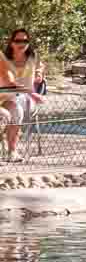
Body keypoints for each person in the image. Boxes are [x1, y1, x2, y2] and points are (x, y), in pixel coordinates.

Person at [0, 28, 45, 164]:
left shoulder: (33, 56)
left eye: (25, 40)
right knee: (11, 109)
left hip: (20, 97)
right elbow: (10, 82)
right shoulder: (4, 58)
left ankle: (12, 151)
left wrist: (39, 74)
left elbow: (41, 67)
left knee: (17, 107)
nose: (22, 43)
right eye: (18, 40)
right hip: (9, 95)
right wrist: (33, 94)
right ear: (11, 43)